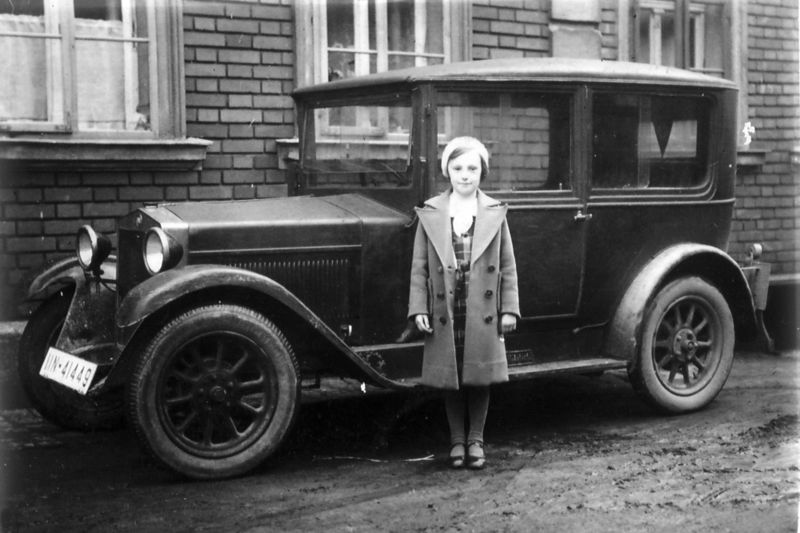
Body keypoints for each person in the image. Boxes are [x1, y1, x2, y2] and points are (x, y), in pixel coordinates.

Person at [408, 136, 520, 469]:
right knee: (451, 375)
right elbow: (419, 267)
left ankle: (476, 440)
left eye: (472, 168)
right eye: (458, 168)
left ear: (482, 171)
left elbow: (508, 265)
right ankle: (456, 440)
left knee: (479, 376)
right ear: (448, 171)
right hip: (446, 309)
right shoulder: (432, 212)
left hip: (480, 309)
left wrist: (509, 309)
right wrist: (418, 308)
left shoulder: (494, 212)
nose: (465, 175)